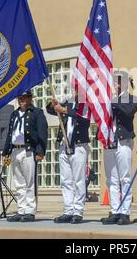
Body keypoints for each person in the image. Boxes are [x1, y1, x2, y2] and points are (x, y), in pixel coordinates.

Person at [3, 89, 48, 222]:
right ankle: (21, 209)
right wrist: (6, 152)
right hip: (15, 150)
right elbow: (10, 134)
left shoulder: (37, 113)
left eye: (24, 98)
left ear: (30, 98)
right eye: (20, 98)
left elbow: (42, 133)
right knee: (19, 183)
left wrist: (40, 151)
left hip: (28, 151)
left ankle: (30, 210)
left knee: (30, 182)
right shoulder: (14, 114)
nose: (21, 100)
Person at [47, 91, 91, 224]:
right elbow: (50, 110)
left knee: (79, 180)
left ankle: (78, 211)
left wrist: (64, 110)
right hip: (65, 144)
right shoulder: (68, 103)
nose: (75, 91)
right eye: (74, 88)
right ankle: (68, 210)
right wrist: (53, 104)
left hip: (79, 145)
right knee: (66, 180)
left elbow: (83, 117)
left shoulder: (85, 104)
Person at [100, 71, 137, 225]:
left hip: (123, 141)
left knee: (124, 178)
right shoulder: (107, 98)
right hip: (109, 141)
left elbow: (128, 112)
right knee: (111, 179)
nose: (115, 83)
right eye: (114, 80)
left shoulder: (131, 99)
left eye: (118, 80)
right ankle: (115, 210)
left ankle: (125, 211)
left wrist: (112, 101)